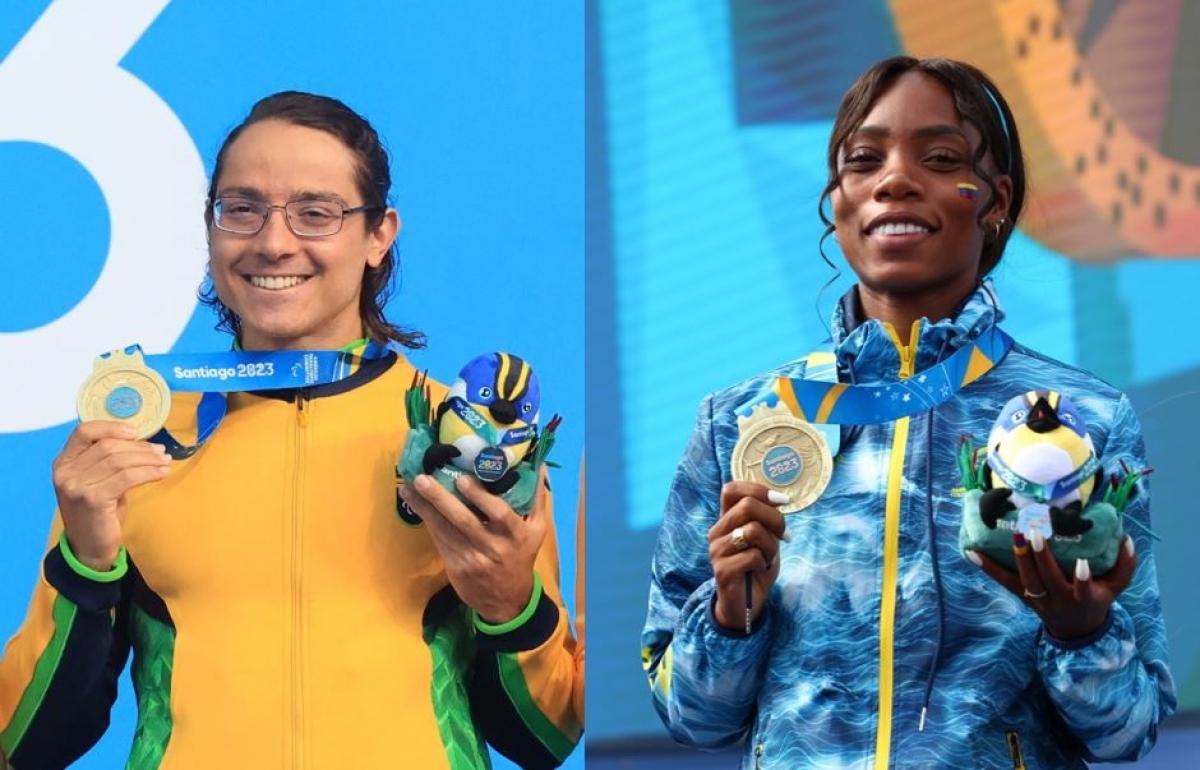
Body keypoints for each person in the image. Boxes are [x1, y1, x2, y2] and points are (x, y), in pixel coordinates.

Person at [0, 92, 581, 770]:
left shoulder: (469, 442)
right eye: (242, 210)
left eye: (316, 213)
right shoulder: (137, 441)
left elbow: (545, 738)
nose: (273, 243)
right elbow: (27, 744)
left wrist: (511, 607)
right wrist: (85, 565)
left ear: (379, 234)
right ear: (211, 227)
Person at [641, 57, 1176, 768]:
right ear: (838, 202)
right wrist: (731, 615)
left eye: (942, 158)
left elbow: (1126, 730)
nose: (893, 179)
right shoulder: (740, 421)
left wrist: (1081, 632)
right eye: (863, 160)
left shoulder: (1087, 420)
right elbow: (692, 716)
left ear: (994, 200)